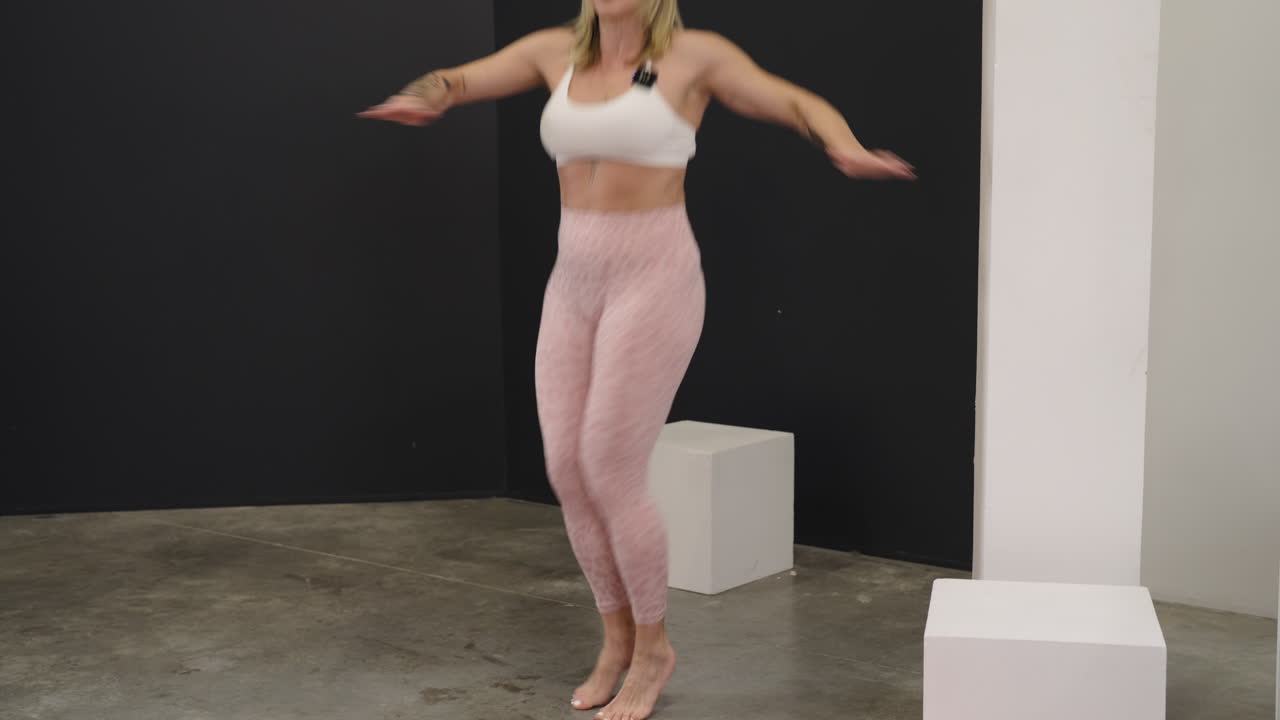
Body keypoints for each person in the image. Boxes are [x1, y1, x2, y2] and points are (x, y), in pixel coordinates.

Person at [359, 1, 914, 717]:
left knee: (610, 465)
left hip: (654, 275)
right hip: (575, 277)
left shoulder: (697, 56)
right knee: (565, 467)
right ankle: (615, 639)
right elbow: (455, 80)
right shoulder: (550, 51)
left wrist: (843, 143)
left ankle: (655, 646)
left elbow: (794, 100)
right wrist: (419, 97)